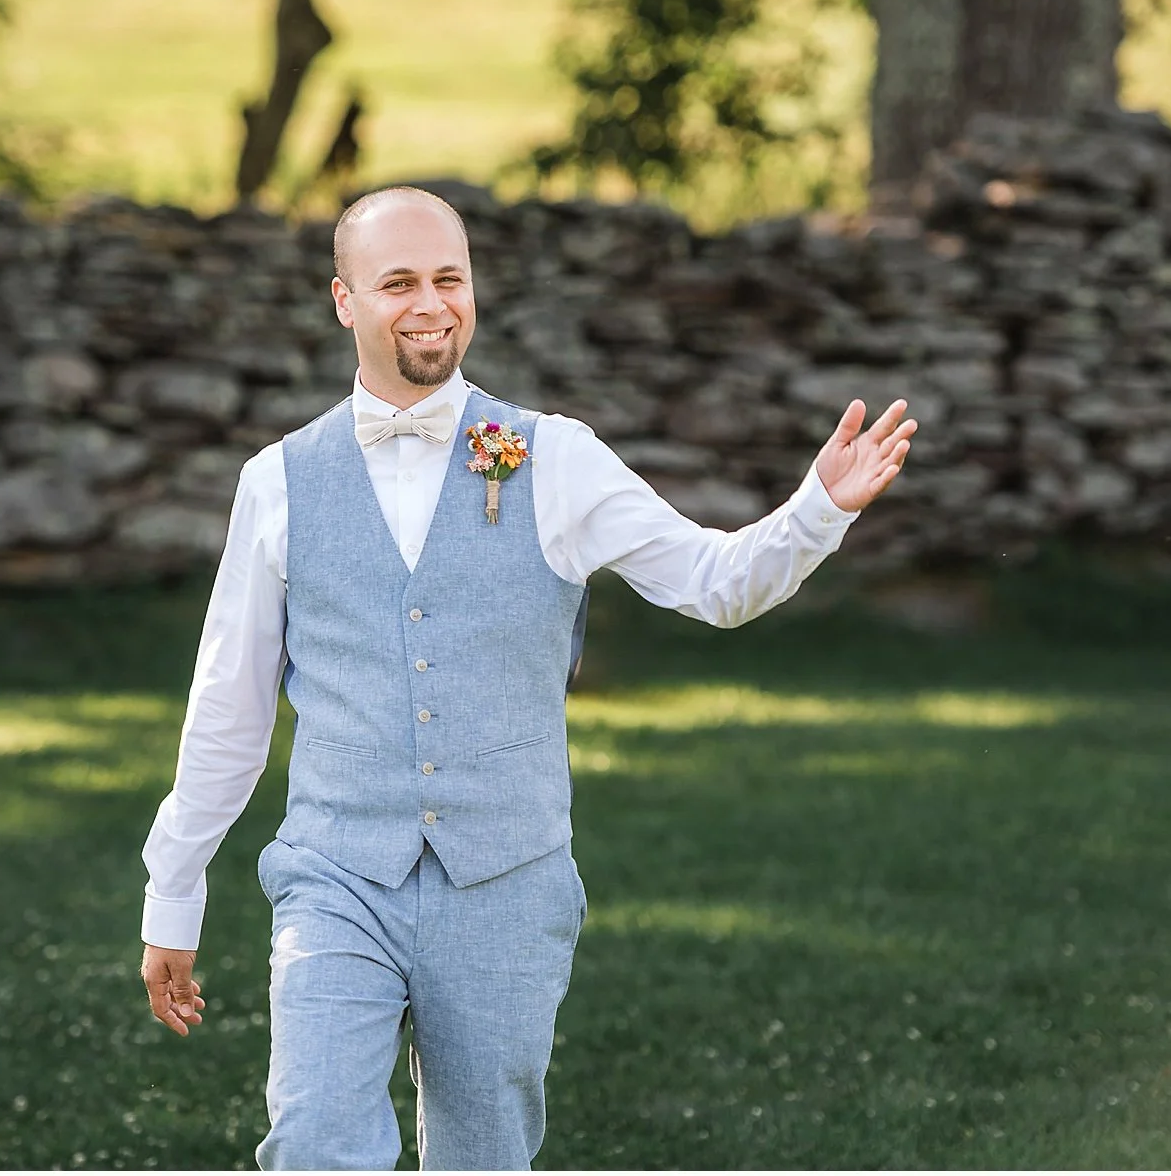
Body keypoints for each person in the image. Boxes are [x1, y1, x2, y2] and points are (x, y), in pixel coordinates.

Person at [138, 186, 917, 1170]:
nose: (430, 303)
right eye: (397, 283)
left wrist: (815, 510)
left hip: (507, 883)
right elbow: (229, 707)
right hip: (337, 876)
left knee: (483, 1157)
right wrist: (174, 891)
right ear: (343, 300)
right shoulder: (278, 481)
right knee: (312, 1145)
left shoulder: (552, 458)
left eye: (448, 279)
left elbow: (713, 581)